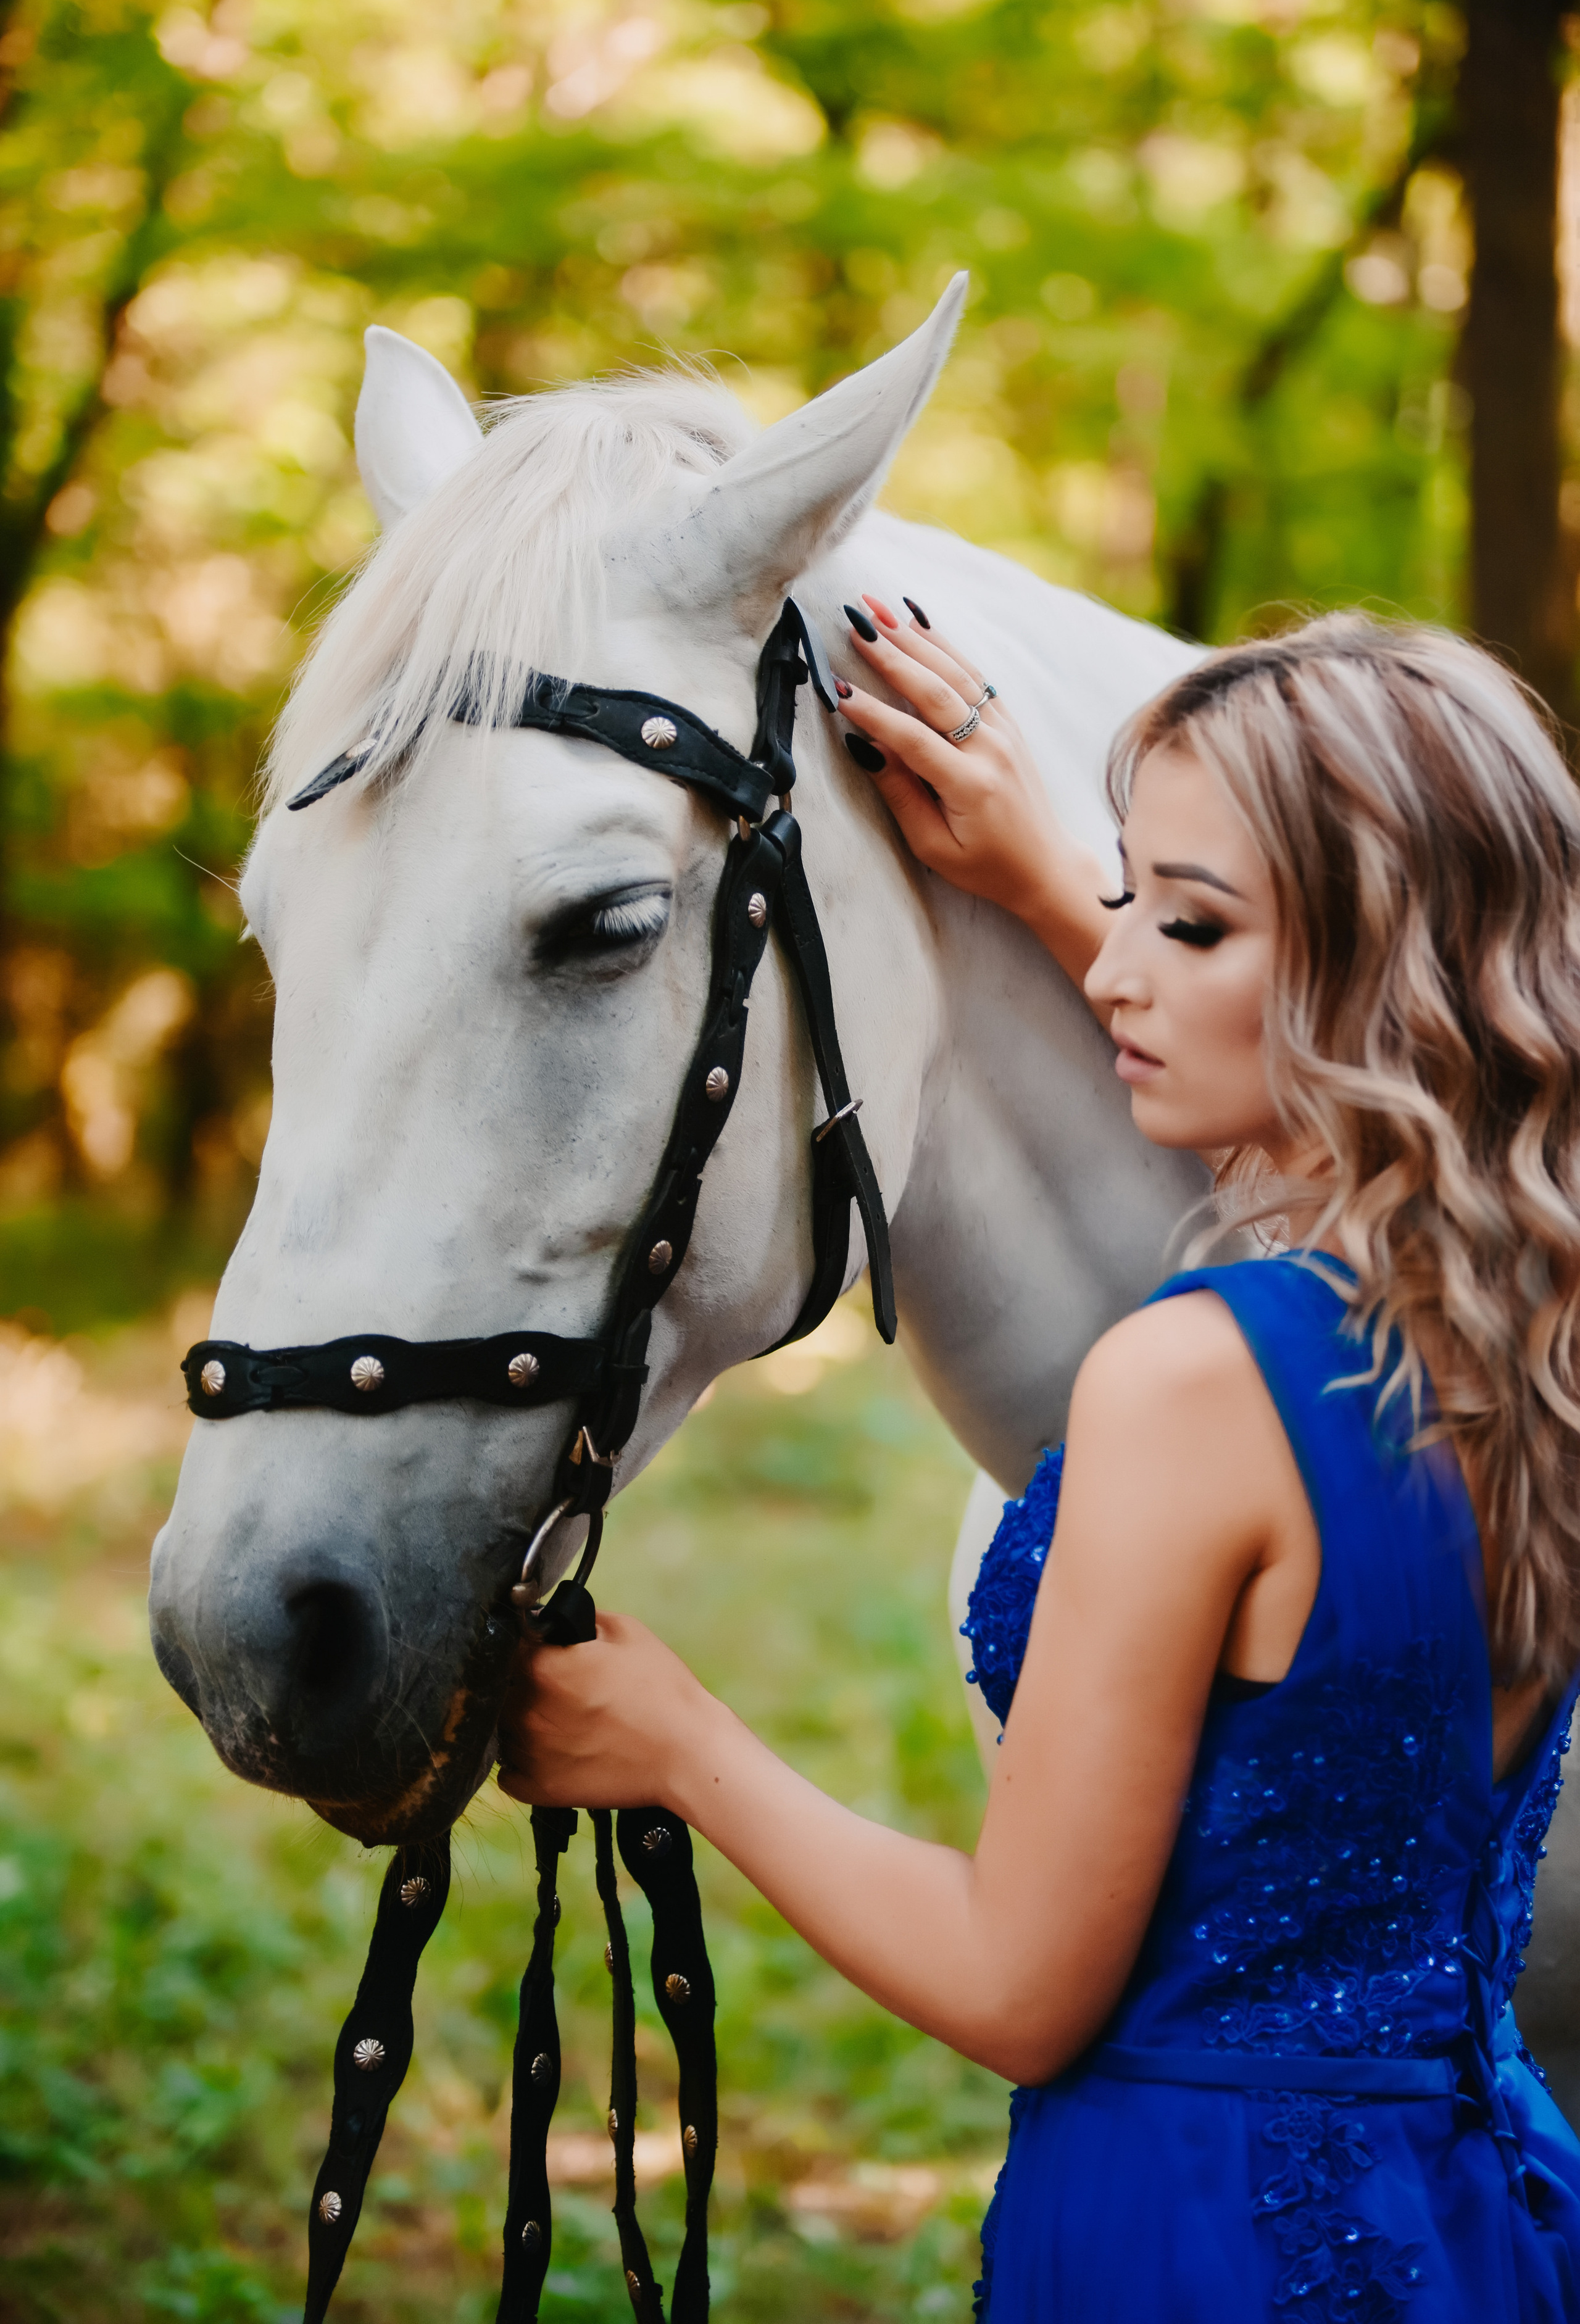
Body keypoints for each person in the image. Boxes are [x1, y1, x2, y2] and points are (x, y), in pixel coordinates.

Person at [497, 602, 1580, 2321]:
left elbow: (1022, 1987)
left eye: (1194, 922)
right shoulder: (1536, 1334)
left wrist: (678, 1745)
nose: (1126, 967)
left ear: (1387, 968)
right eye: (1130, 900)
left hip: (1201, 2242)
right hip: (1483, 2211)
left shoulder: (1198, 1386)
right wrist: (1042, 869)